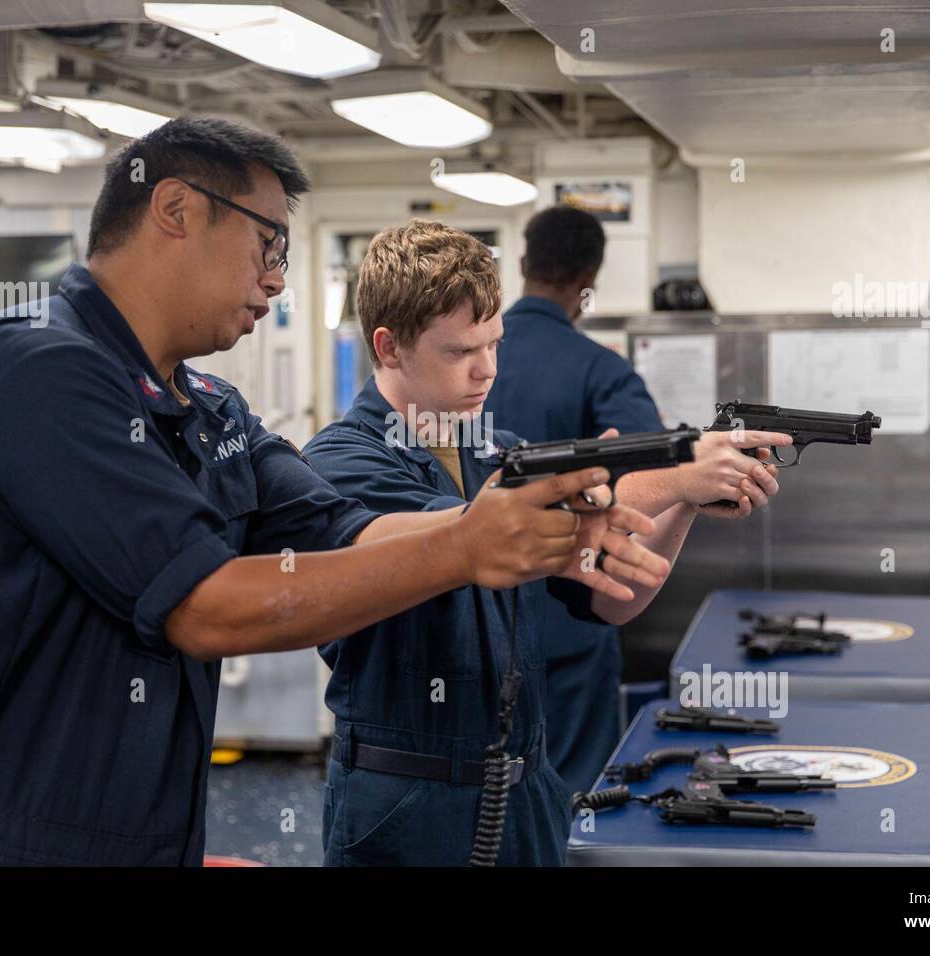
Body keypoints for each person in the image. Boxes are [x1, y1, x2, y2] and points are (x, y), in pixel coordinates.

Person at [0, 120, 618, 866]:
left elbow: (343, 534)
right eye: (268, 241)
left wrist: (501, 522)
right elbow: (202, 605)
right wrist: (464, 546)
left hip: (139, 829)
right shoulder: (37, 366)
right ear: (175, 209)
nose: (278, 277)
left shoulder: (208, 405)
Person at [303, 220, 787, 865]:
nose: (487, 370)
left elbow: (613, 601)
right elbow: (486, 533)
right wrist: (679, 471)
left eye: (494, 344)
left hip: (524, 785)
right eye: (459, 352)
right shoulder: (343, 462)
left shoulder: (498, 453)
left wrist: (684, 501)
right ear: (389, 347)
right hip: (408, 796)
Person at [483, 204, 785, 795]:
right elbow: (666, 466)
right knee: (575, 800)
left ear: (521, 263)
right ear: (589, 278)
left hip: (473, 628)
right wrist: (698, 485)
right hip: (572, 627)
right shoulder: (601, 371)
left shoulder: (466, 365)